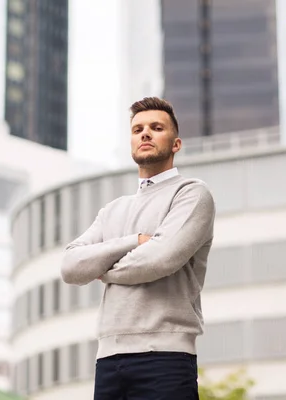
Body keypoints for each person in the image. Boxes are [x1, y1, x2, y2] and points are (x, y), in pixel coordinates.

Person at [60, 97, 216, 400]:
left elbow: (158, 260)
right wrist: (134, 241)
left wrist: (102, 270)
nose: (145, 134)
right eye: (137, 129)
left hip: (166, 357)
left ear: (176, 144)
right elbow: (70, 266)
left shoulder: (192, 194)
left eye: (156, 128)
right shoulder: (112, 210)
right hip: (108, 359)